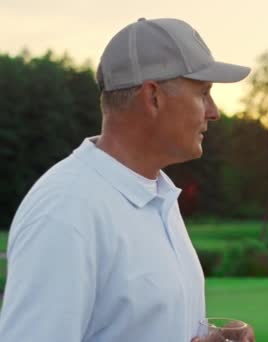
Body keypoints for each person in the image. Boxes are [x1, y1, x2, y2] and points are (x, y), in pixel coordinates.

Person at [0, 17, 254, 342]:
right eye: (203, 93)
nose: (214, 111)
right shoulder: (65, 211)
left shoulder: (157, 195)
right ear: (153, 97)